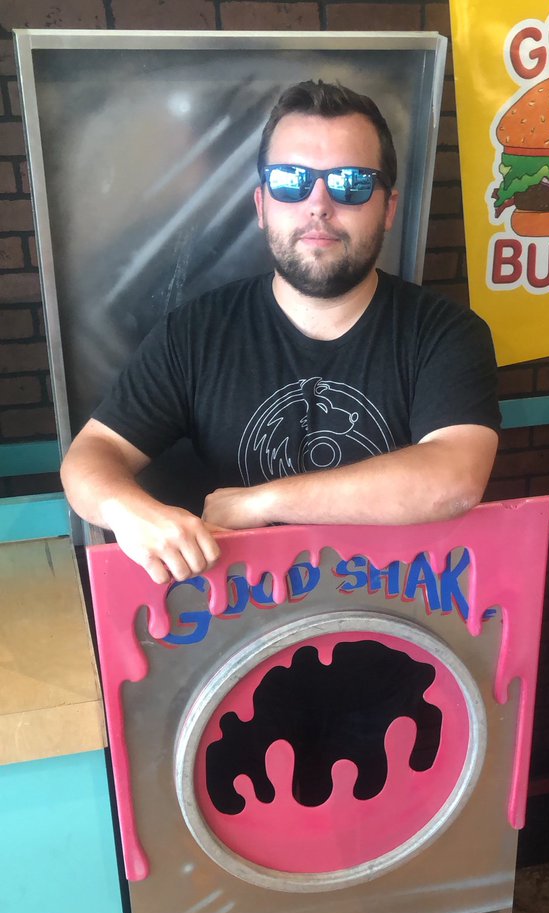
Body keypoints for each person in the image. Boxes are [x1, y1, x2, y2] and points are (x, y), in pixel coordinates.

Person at [61, 80, 500, 585]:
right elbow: (91, 455)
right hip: (231, 622)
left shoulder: (446, 334)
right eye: (291, 180)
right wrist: (125, 509)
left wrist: (261, 502)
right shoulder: (195, 333)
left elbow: (453, 479)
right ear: (262, 204)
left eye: (351, 183)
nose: (319, 204)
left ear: (388, 209)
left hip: (396, 620)